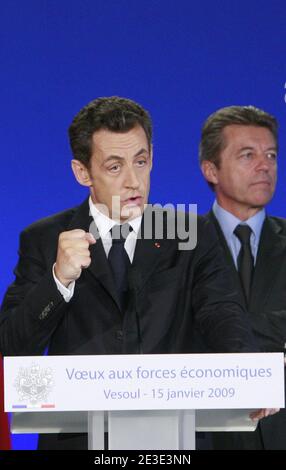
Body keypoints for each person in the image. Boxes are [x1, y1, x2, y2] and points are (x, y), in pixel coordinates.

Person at [0, 97, 261, 450]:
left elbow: (224, 315)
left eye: (140, 162)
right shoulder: (45, 239)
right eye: (114, 167)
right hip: (78, 441)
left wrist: (252, 376)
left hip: (174, 440)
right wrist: (58, 281)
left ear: (152, 156)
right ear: (82, 173)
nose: (133, 181)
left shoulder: (193, 235)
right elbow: (12, 346)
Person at [200, 104, 286, 450]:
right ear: (211, 170)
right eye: (247, 155)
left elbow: (198, 328)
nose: (265, 166)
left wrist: (218, 330)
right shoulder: (175, 251)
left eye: (271, 155)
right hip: (209, 436)